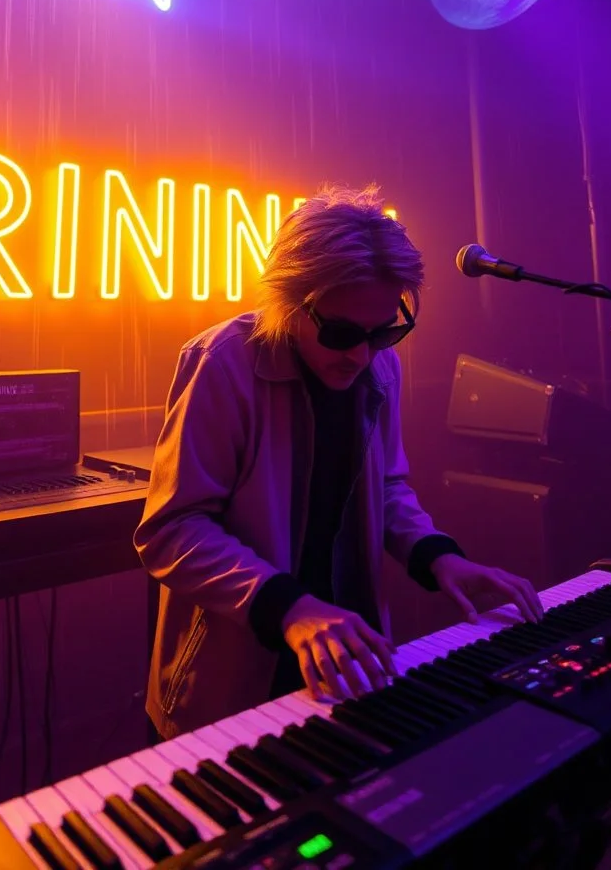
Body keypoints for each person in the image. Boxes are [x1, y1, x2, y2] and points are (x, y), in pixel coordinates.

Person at [134, 185, 542, 740]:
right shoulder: (222, 362)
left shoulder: (379, 365)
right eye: (342, 332)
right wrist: (291, 608)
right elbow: (172, 530)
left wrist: (440, 558)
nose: (361, 353)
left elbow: (389, 488)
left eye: (384, 332)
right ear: (289, 302)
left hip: (347, 662)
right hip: (234, 680)